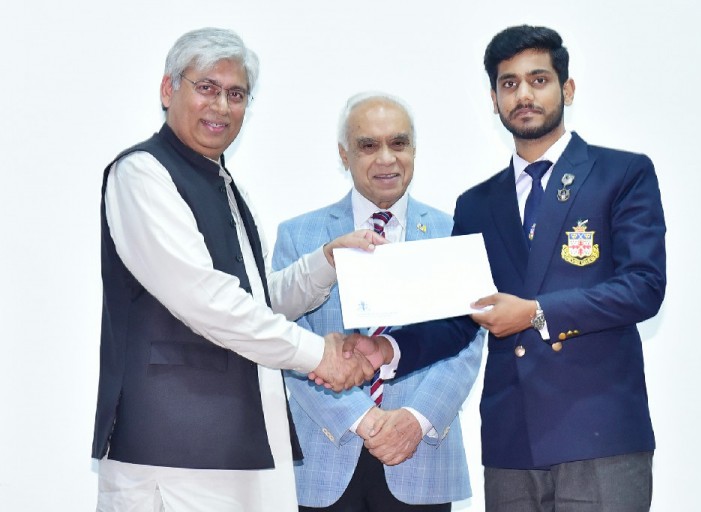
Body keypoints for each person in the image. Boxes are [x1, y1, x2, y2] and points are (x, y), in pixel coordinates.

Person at [350, 25, 666, 512]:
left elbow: (643, 287)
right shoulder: (477, 203)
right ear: (494, 100)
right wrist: (389, 349)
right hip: (511, 440)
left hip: (599, 432)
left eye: (538, 80)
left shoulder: (621, 174)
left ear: (567, 89)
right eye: (509, 83)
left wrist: (536, 313)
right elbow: (460, 315)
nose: (523, 95)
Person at [92, 27, 383, 511]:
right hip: (170, 451)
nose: (221, 106)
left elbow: (255, 301)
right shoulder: (143, 173)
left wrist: (327, 262)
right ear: (168, 90)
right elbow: (207, 302)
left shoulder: (226, 185)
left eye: (236, 94)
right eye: (206, 87)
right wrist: (319, 354)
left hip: (236, 443)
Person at [273, 92, 484, 512]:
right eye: (368, 145)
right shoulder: (299, 235)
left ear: (414, 149)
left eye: (398, 143)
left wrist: (415, 420)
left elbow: (469, 341)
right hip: (323, 456)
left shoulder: (452, 232)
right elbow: (285, 341)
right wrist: (363, 418)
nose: (386, 158)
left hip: (422, 456)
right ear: (344, 154)